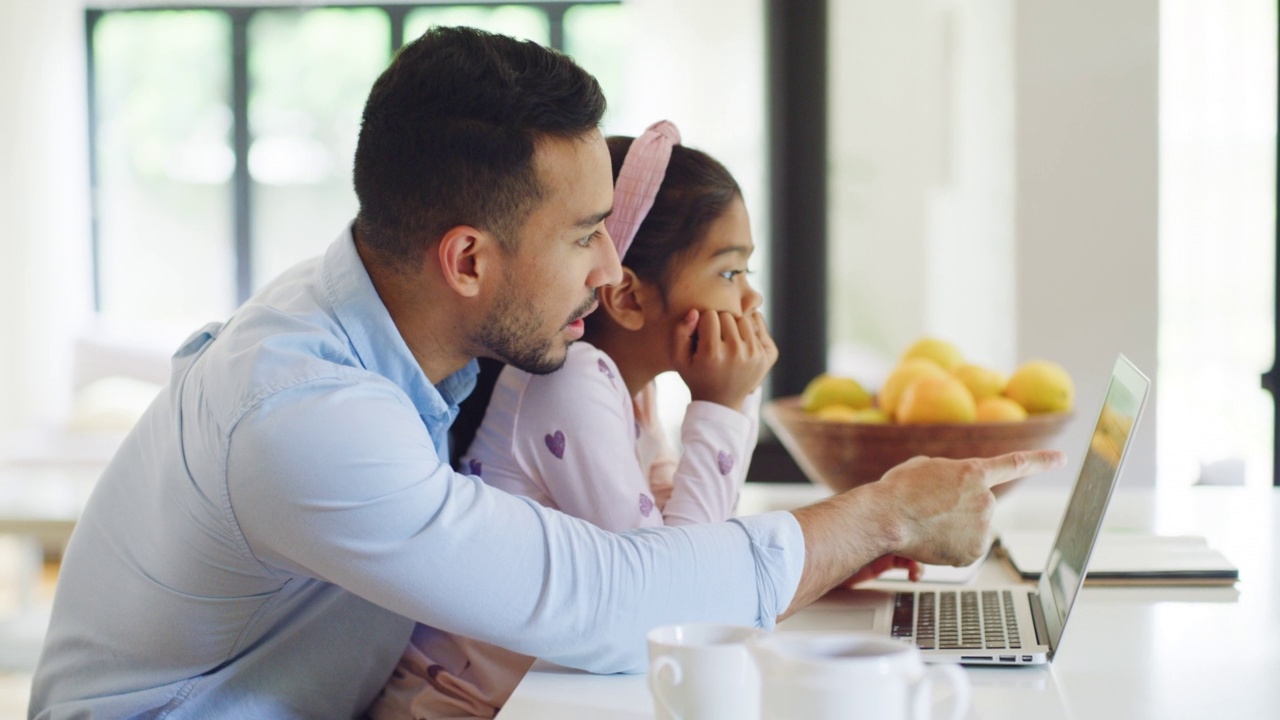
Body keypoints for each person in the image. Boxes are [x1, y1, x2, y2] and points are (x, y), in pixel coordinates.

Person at [29, 26, 1065, 720]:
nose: (611, 271)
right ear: (467, 258)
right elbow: (609, 603)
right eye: (583, 237)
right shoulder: (304, 412)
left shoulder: (379, 326)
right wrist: (881, 513)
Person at [371, 121, 817, 718]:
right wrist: (723, 404)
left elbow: (691, 550)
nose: (750, 302)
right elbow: (679, 600)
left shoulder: (627, 393)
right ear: (629, 297)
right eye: (730, 273)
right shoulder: (571, 382)